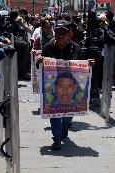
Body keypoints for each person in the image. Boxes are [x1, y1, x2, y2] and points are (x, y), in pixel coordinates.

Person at [42, 20, 82, 150]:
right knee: (54, 113)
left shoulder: (75, 47)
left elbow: (82, 65)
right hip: (54, 86)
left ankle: (65, 125)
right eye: (57, 32)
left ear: (69, 35)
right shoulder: (48, 47)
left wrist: (89, 63)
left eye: (63, 33)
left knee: (68, 112)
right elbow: (39, 66)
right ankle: (57, 139)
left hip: (70, 86)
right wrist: (40, 61)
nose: (59, 36)